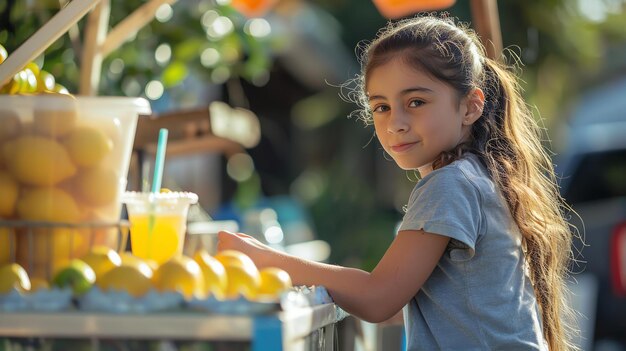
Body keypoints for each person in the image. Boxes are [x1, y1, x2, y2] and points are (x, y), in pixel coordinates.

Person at [218, 14, 577, 350]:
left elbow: (378, 298)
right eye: (381, 107)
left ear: (470, 106)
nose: (395, 123)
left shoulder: (449, 184)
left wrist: (264, 259)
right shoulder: (477, 175)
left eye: (416, 101)